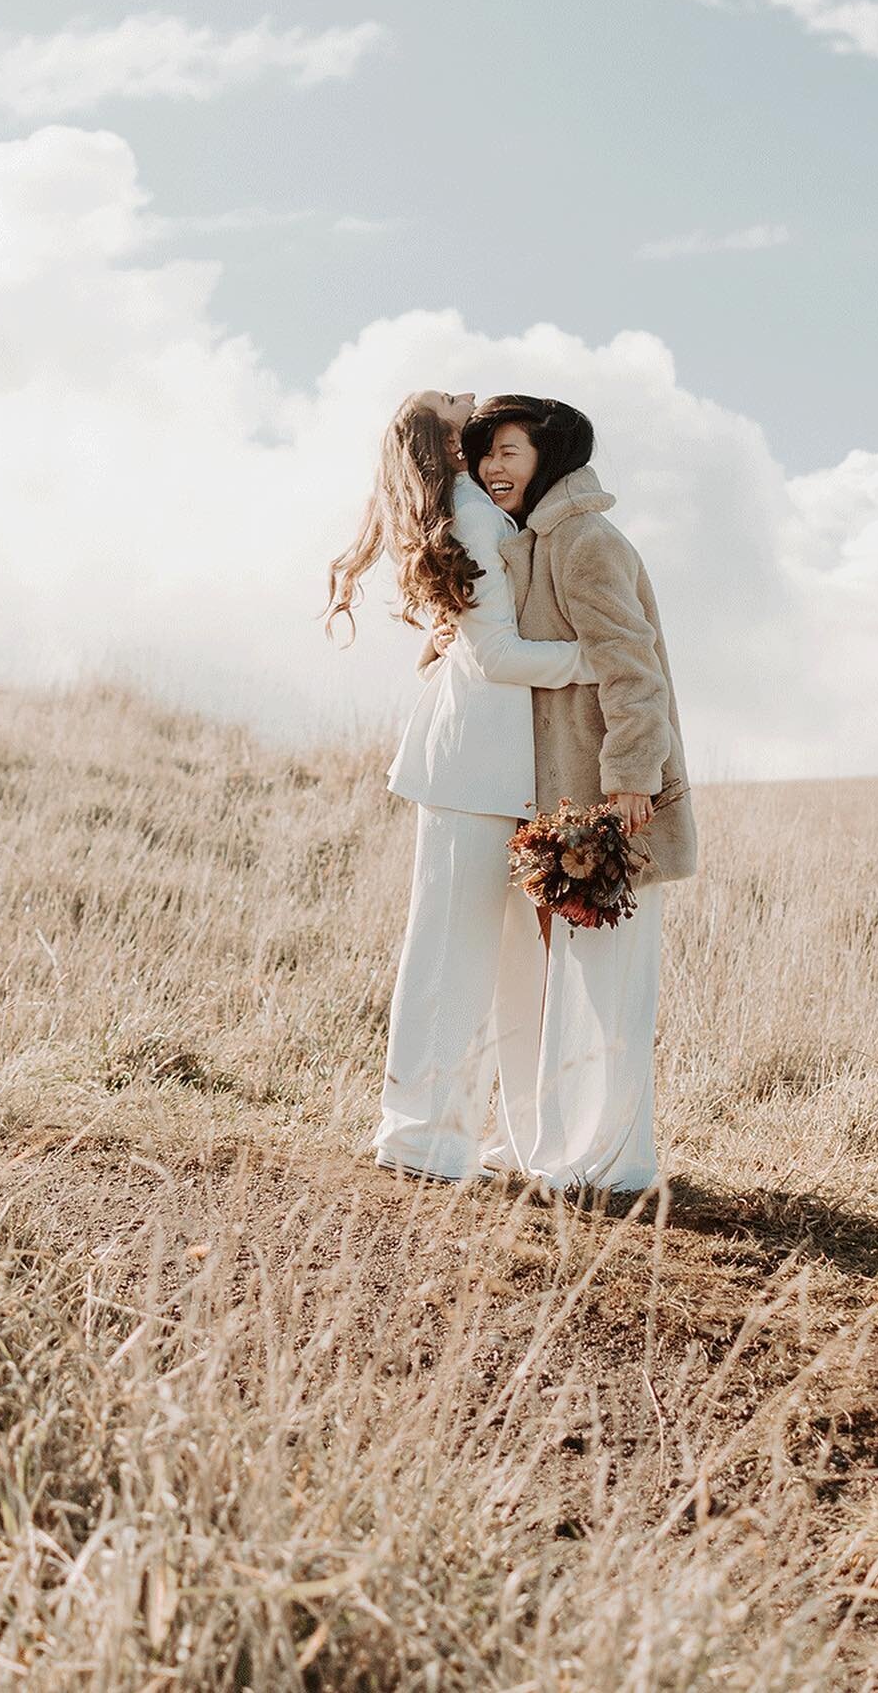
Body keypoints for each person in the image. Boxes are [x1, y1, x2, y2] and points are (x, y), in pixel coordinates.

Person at [324, 389, 596, 1182]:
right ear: (448, 443)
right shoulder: (475, 518)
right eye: (454, 404)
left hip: (506, 773)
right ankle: (418, 1139)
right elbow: (501, 657)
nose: (469, 398)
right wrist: (598, 661)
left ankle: (509, 1141)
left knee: (515, 968)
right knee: (449, 959)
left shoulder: (484, 511)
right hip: (468, 770)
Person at [453, 395, 698, 1193]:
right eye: (485, 452)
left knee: (604, 980)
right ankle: (557, 1142)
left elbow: (635, 669)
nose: (492, 467)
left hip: (607, 800)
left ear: (549, 457)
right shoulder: (538, 541)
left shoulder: (585, 541)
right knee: (564, 974)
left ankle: (604, 1157)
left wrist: (631, 778)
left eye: (510, 452)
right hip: (560, 801)